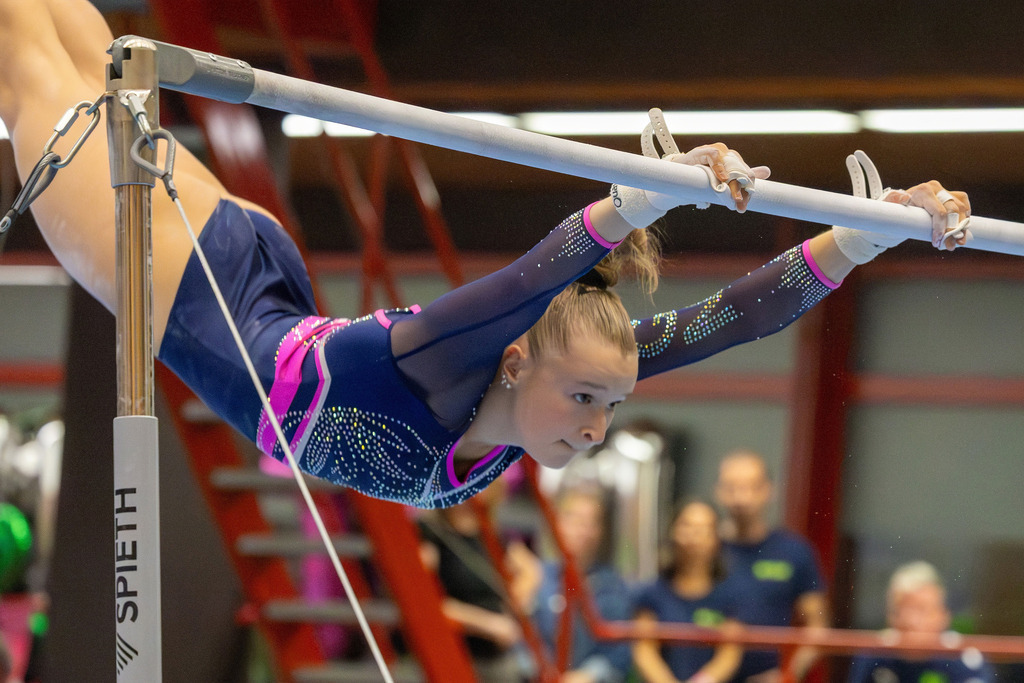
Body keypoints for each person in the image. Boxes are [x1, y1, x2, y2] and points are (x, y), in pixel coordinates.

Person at [0, 0, 971, 510]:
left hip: (243, 286)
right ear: (512, 358)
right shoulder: (443, 352)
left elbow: (736, 318)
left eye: (605, 404)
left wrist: (858, 236)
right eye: (589, 401)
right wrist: (629, 204)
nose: (597, 428)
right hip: (196, 288)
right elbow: (521, 284)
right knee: (49, 54)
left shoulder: (543, 374)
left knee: (62, 61)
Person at [715, 450, 827, 683]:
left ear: (768, 490)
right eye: (731, 487)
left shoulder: (794, 551)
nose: (741, 498)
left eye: (751, 487)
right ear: (718, 492)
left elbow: (817, 630)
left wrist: (787, 676)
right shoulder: (703, 551)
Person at [417, 475, 536, 681]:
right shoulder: (431, 535)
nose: (475, 489)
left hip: (496, 656)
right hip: (455, 653)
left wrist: (517, 601)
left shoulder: (493, 534)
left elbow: (533, 571)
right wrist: (490, 624)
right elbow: (428, 603)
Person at [527, 483, 632, 683]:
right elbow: (521, 640)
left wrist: (585, 676)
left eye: (589, 522)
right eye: (572, 518)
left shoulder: (613, 587)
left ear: (599, 531)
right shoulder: (537, 576)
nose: (580, 530)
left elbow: (619, 654)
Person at [632, 499, 743, 683]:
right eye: (686, 525)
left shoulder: (730, 595)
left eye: (704, 528)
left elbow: (729, 654)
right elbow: (644, 651)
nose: (694, 535)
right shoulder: (652, 593)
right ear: (673, 531)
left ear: (716, 538)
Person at [847, 561, 994, 683]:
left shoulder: (966, 657)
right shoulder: (872, 655)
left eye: (922, 610)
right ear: (890, 616)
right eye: (902, 610)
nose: (912, 621)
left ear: (944, 616)